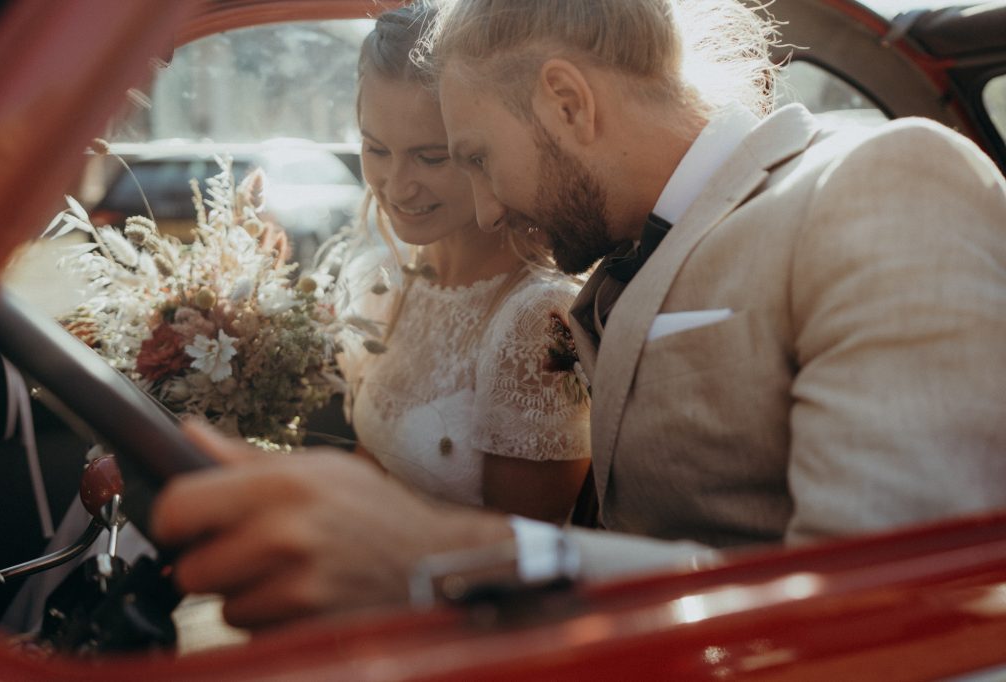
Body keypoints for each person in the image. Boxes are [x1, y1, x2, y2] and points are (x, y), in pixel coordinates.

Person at [151, 0, 1006, 629]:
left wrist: (453, 560)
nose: (482, 211)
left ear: (568, 103)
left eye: (476, 158)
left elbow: (894, 612)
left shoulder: (885, 179)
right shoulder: (621, 256)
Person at [334, 4, 590, 521]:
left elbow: (518, 549)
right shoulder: (384, 278)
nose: (397, 185)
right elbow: (374, 466)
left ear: (485, 148)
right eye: (375, 148)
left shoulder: (536, 318)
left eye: (432, 157)